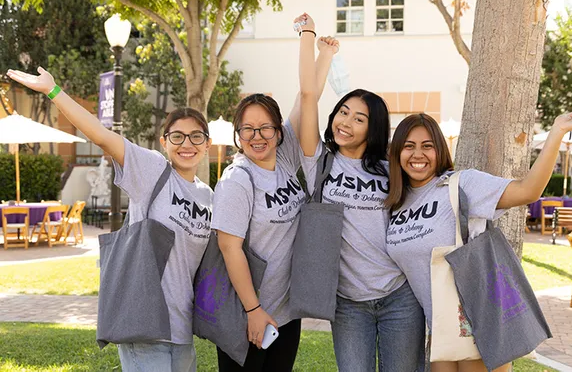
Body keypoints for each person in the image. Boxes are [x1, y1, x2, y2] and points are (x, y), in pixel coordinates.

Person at [7, 67, 213, 372]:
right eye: (177, 136)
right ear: (163, 142)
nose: (187, 144)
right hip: (144, 322)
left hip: (182, 329)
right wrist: (53, 91)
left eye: (196, 136)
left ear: (207, 144)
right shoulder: (152, 170)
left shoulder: (207, 196)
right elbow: (101, 135)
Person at [384, 112, 572, 372]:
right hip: (439, 329)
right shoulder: (395, 203)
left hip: (480, 321)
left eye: (427, 146)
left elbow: (528, 190)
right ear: (396, 153)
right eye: (408, 146)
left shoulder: (462, 184)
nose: (418, 154)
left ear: (440, 150)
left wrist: (557, 132)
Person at [296, 13, 425, 372]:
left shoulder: (390, 167)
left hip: (400, 294)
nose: (345, 122)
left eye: (358, 119)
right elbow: (309, 96)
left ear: (374, 128)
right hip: (347, 302)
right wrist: (311, 40)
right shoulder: (319, 161)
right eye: (343, 112)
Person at [212, 37, 339, 371]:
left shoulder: (284, 158)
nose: (257, 136)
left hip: (285, 311)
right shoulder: (237, 179)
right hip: (247, 312)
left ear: (279, 131)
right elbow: (229, 248)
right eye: (248, 129)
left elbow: (307, 96)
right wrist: (253, 311)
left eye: (265, 127)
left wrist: (321, 52)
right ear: (238, 134)